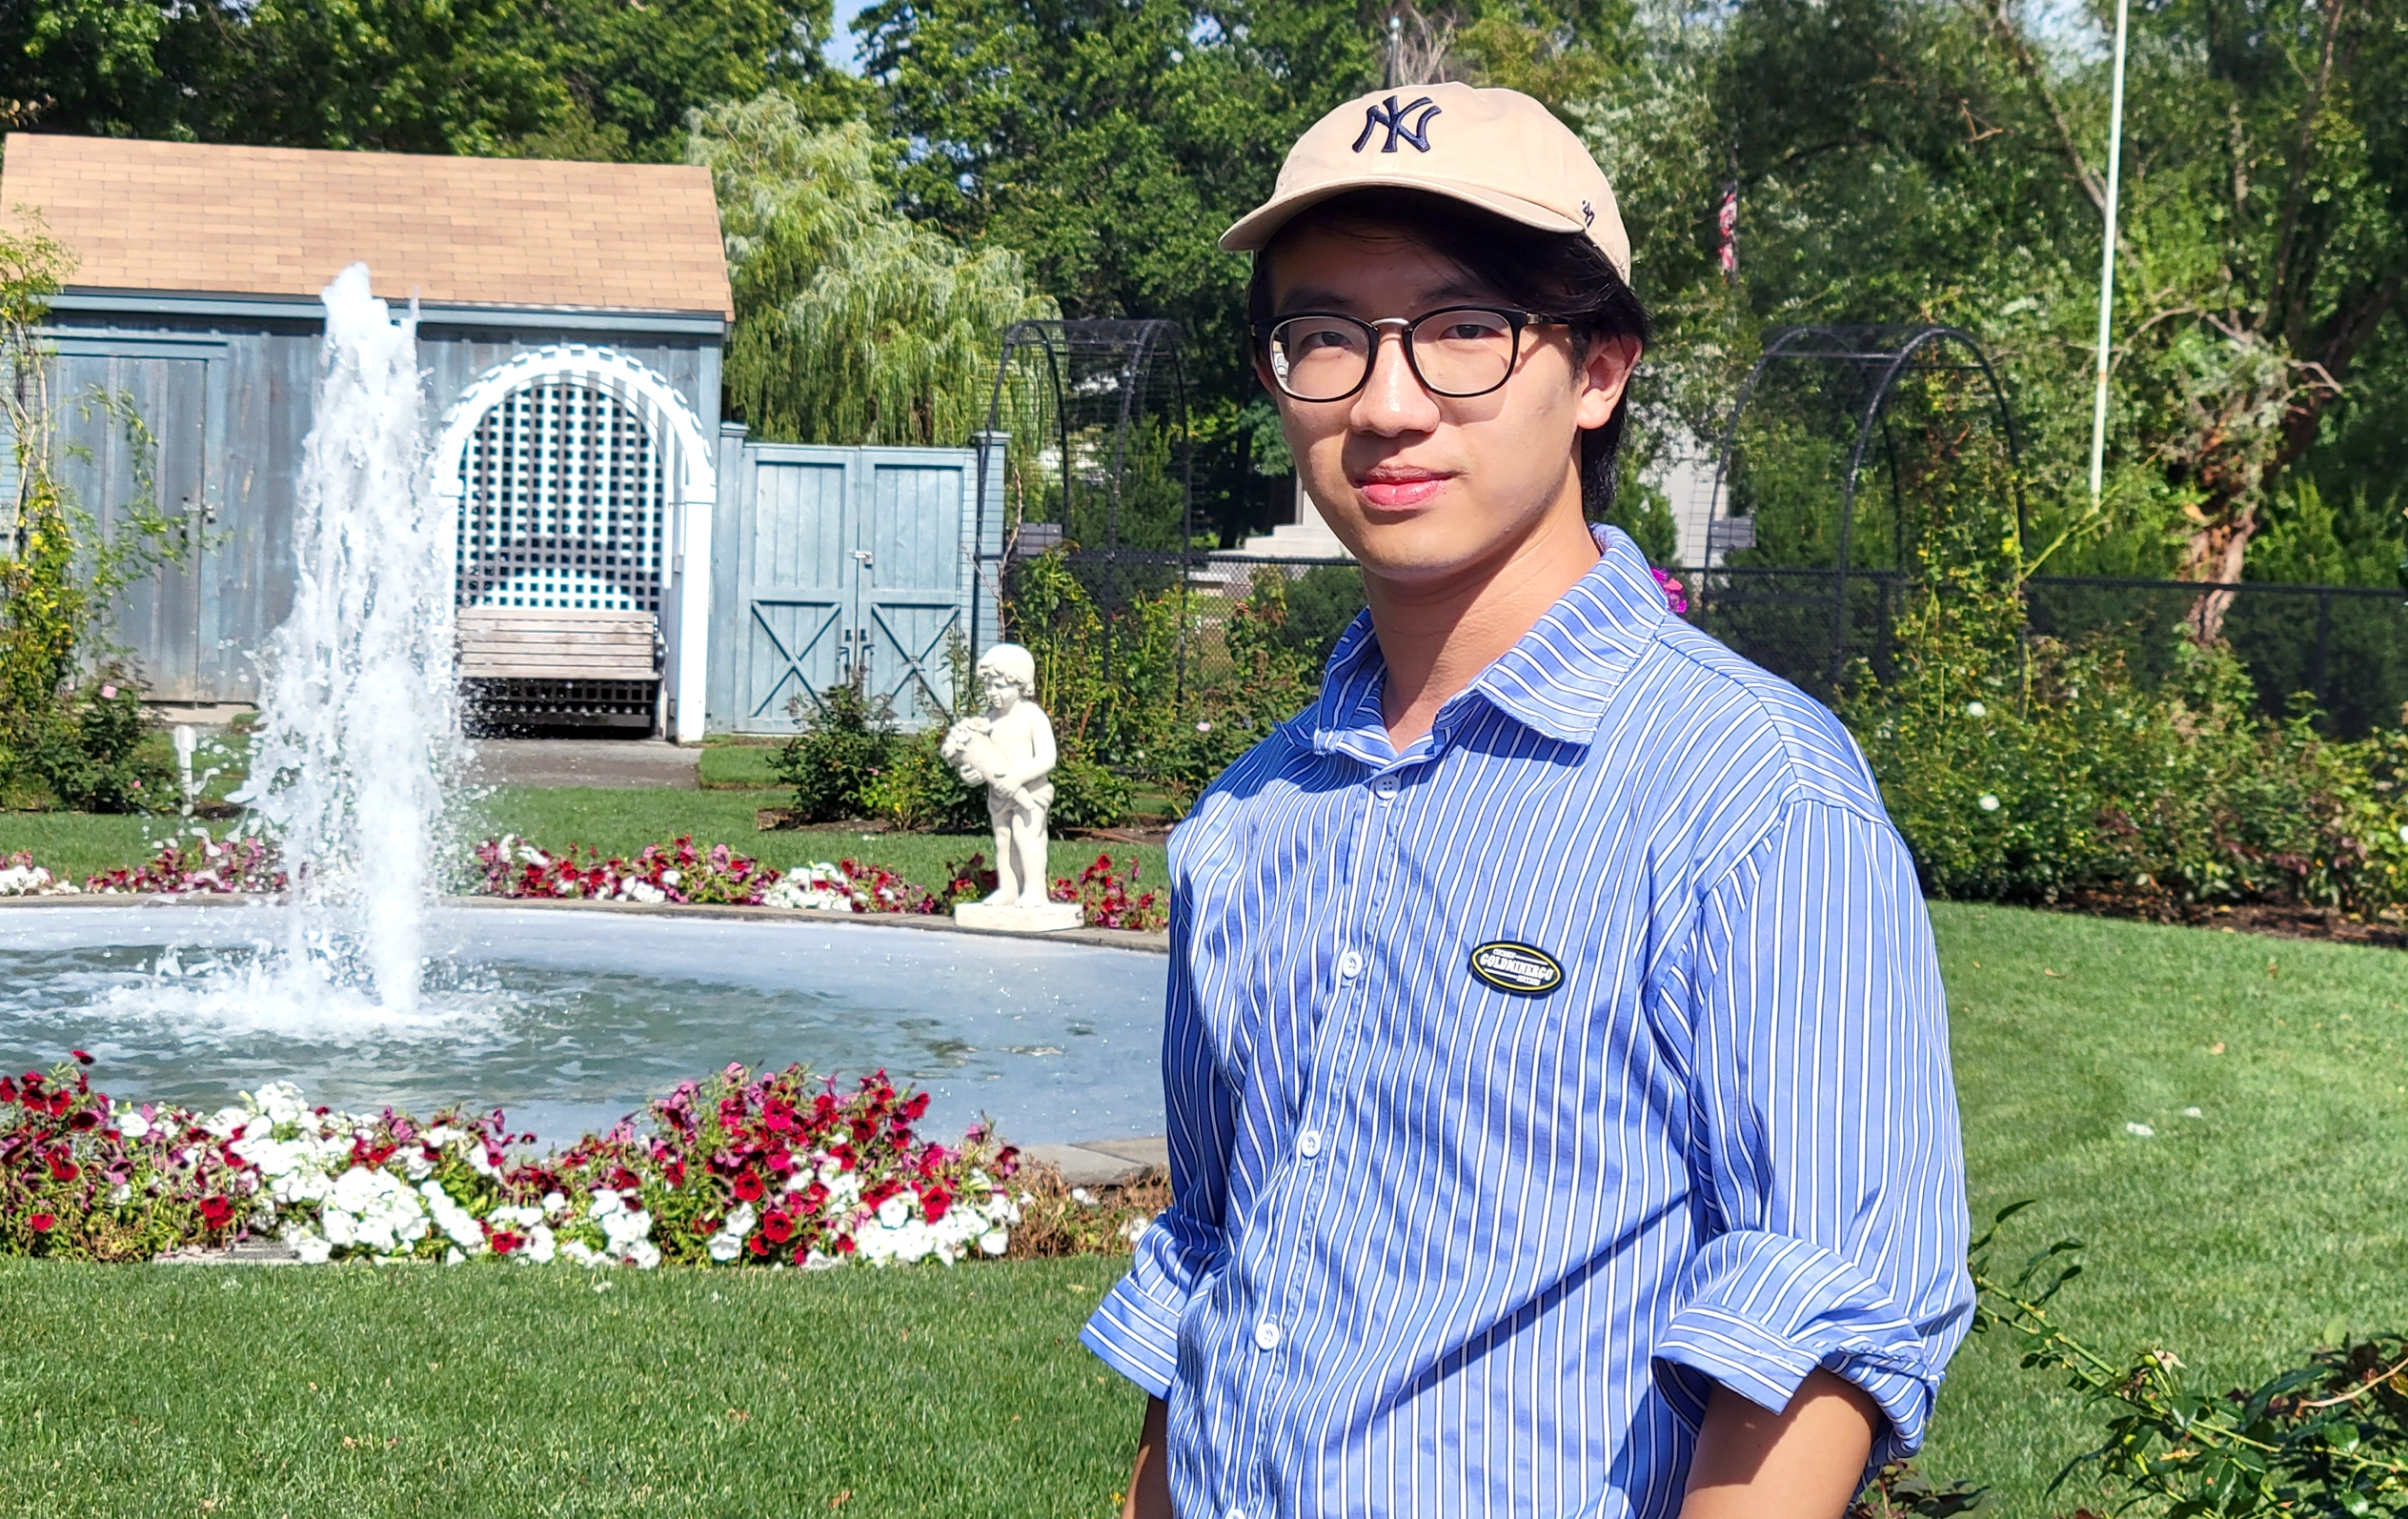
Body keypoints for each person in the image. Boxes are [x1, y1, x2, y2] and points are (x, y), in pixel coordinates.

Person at [1081, 83, 1972, 1519]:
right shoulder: (1249, 820)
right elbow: (1211, 1259)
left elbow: (1822, 1317)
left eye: (1462, 332)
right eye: (1322, 337)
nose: (1383, 403)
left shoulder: (1746, 791)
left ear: (1599, 368)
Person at [941, 642, 1057, 908]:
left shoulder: (1032, 716)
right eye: (988, 686)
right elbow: (986, 760)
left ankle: (1035, 890)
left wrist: (1016, 778)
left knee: (1026, 835)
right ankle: (1009, 889)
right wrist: (973, 773)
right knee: (1003, 839)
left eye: (1000, 686)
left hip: (1032, 791)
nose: (992, 693)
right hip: (999, 795)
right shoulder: (989, 720)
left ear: (1022, 685)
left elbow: (1047, 758)